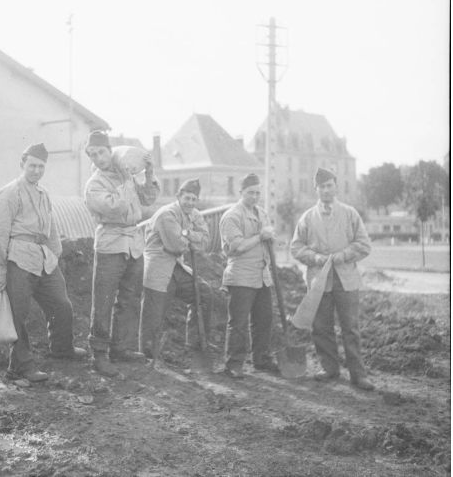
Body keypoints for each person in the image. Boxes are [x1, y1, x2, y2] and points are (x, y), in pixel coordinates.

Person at [0, 143, 86, 383]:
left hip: (43, 259)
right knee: (18, 315)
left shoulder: (43, 193)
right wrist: (0, 267)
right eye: (32, 165)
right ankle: (21, 365)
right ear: (22, 165)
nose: (36, 170)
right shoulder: (10, 192)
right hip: (17, 260)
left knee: (62, 304)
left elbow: (51, 227)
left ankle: (61, 348)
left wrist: (55, 253)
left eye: (41, 166)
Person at [290, 167, 374, 391]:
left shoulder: (350, 214)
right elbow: (296, 248)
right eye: (322, 187)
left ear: (335, 186)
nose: (326, 190)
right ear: (315, 189)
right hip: (319, 281)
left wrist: (343, 255)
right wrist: (315, 257)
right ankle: (330, 368)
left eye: (330, 186)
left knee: (351, 327)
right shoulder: (307, 217)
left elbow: (364, 245)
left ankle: (358, 374)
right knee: (321, 326)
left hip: (346, 279)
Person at [84, 130, 159, 377]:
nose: (98, 158)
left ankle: (121, 347)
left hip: (133, 242)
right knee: (104, 300)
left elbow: (148, 199)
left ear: (110, 151)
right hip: (111, 242)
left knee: (129, 297)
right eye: (93, 154)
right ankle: (99, 355)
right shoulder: (95, 184)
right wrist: (128, 180)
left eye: (102, 152)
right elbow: (114, 208)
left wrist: (148, 172)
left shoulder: (124, 174)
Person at [139, 178, 212, 361]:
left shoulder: (192, 214)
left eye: (194, 199)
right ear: (178, 196)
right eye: (187, 198)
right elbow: (176, 245)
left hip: (177, 267)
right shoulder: (167, 214)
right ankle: (148, 356)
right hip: (158, 267)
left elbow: (204, 241)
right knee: (154, 313)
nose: (190, 203)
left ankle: (194, 346)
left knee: (203, 293)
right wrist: (190, 240)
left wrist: (187, 234)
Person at [219, 173, 278, 379]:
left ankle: (261, 359)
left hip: (262, 275)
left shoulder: (262, 213)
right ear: (241, 192)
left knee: (264, 319)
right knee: (239, 322)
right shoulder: (232, 216)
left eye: (257, 193)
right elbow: (237, 247)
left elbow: (269, 241)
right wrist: (260, 236)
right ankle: (233, 363)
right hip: (241, 276)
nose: (254, 196)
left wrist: (270, 238)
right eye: (250, 192)